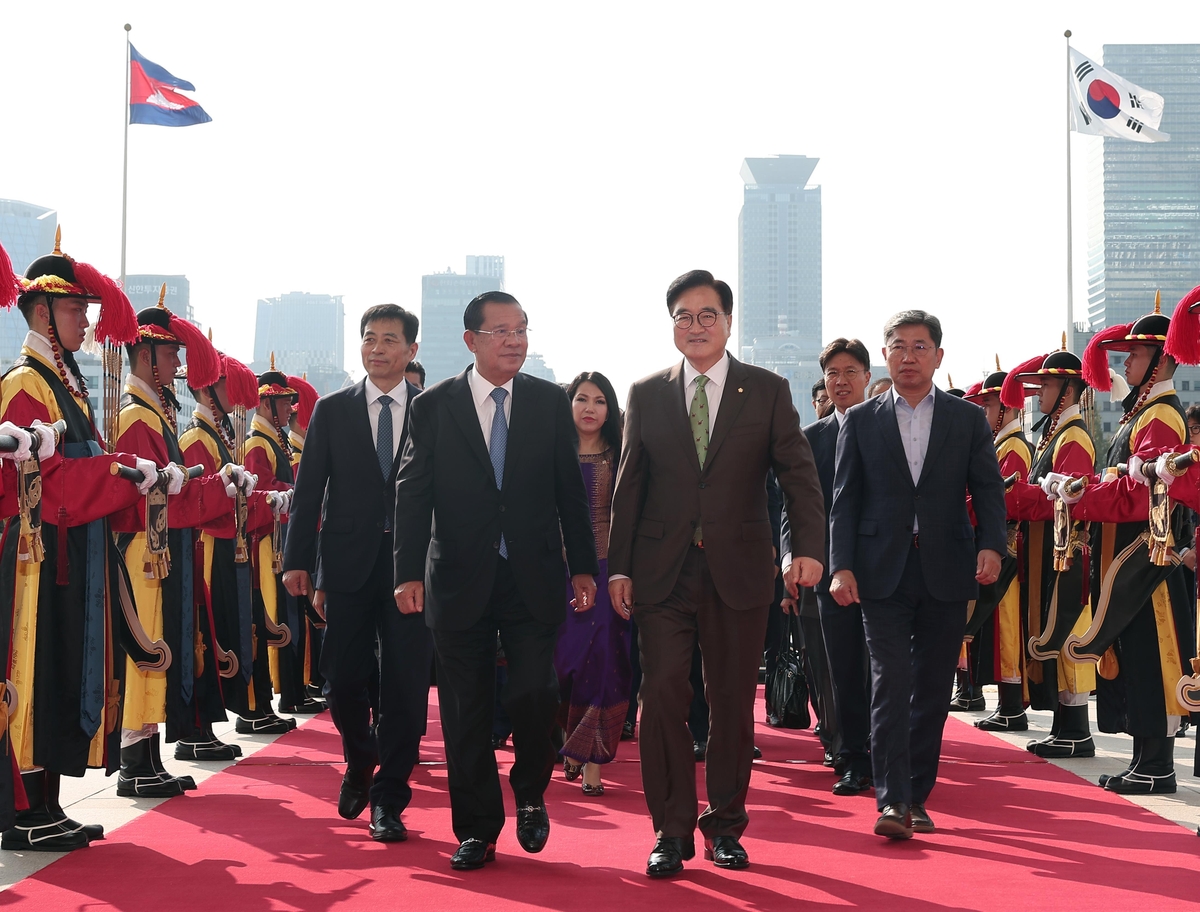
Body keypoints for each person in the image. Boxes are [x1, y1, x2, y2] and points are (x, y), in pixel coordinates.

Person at [608, 269, 824, 877]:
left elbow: (798, 475)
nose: (695, 325)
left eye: (707, 315)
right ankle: (670, 831)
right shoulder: (646, 393)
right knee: (663, 695)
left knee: (731, 704)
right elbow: (630, 486)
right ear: (671, 324)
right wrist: (620, 566)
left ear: (728, 323)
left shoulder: (768, 390)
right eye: (683, 315)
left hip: (740, 569)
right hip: (662, 572)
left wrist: (807, 546)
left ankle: (725, 825)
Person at [393, 291, 597, 871]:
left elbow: (568, 492)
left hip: (532, 574)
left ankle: (530, 792)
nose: (515, 340)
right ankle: (478, 828)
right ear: (471, 341)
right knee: (465, 713)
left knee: (536, 693)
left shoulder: (547, 403)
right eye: (501, 331)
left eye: (522, 329)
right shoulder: (433, 406)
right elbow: (412, 495)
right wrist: (407, 572)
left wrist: (581, 563)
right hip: (456, 578)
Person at [0, 234, 153, 851]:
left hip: (70, 551)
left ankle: (49, 804)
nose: (87, 323)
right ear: (43, 312)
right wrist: (118, 474)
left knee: (65, 669)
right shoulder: (24, 383)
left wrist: (117, 471)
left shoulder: (62, 383)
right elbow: (47, 480)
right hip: (36, 555)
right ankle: (24, 809)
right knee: (36, 671)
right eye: (75, 311)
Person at [829, 310, 1005, 840]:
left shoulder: (966, 419)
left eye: (920, 347)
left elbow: (989, 490)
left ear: (939, 356)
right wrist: (840, 565)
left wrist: (993, 546)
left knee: (931, 686)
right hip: (879, 572)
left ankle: (917, 796)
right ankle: (892, 800)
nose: (909, 356)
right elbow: (844, 500)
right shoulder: (861, 421)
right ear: (885, 355)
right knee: (890, 680)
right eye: (899, 346)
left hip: (947, 569)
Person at [284, 304, 430, 843]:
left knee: (405, 686)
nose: (376, 348)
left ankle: (390, 797)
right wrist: (298, 561)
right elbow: (309, 492)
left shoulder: (433, 410)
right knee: (342, 679)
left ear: (410, 350)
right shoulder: (333, 410)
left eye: (389, 339)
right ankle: (360, 757)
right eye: (369, 338)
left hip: (413, 571)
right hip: (346, 566)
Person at [1044, 300, 1194, 794]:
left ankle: (1157, 764)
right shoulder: (1145, 413)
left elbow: (1142, 494)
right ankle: (1144, 760)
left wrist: (1085, 492)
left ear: (1161, 361)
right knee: (1135, 657)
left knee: (1154, 658)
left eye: (1133, 356)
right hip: (1129, 555)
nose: (1123, 364)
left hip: (1146, 560)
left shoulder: (1162, 417)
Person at [111, 301, 247, 797]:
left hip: (159, 548)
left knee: (158, 651)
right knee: (145, 651)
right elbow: (149, 494)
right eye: (169, 352)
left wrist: (217, 487)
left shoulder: (153, 412)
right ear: (145, 355)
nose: (176, 363)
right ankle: (133, 761)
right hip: (141, 548)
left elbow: (175, 491)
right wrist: (216, 489)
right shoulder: (135, 416)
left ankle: (146, 756)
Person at [784, 337, 873, 795]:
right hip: (821, 576)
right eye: (832, 374)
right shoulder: (810, 438)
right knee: (830, 671)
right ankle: (847, 753)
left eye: (850, 372)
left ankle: (880, 752)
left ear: (867, 377)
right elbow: (792, 508)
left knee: (879, 669)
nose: (840, 381)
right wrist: (789, 561)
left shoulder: (886, 429)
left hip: (879, 573)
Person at [1001, 342, 1098, 757]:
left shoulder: (1072, 436)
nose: (1039, 393)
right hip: (1045, 548)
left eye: (1047, 385)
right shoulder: (1055, 435)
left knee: (1067, 632)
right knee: (1050, 632)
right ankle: (1064, 726)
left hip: (1066, 551)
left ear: (1068, 390)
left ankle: (1077, 730)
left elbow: (1070, 496)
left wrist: (1018, 494)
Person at [177, 348, 273, 759]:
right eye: (222, 385)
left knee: (225, 632)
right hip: (209, 545)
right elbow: (203, 505)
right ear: (206, 388)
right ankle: (194, 731)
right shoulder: (198, 437)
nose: (231, 395)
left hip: (226, 544)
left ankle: (206, 726)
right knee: (206, 637)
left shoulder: (217, 434)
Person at [555, 371, 630, 797]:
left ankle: (592, 762)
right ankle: (569, 738)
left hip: (607, 572)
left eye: (600, 401)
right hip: (554, 572)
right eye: (582, 398)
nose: (590, 408)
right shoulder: (552, 452)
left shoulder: (623, 456)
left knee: (601, 662)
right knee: (561, 664)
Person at [961, 365, 1033, 732]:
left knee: (1007, 627)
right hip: (999, 547)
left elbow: (1005, 499)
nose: (984, 414)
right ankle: (1005, 704)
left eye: (989, 406)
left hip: (1009, 549)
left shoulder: (1014, 446)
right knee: (996, 628)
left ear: (1004, 409)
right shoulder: (1000, 443)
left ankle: (1011, 706)